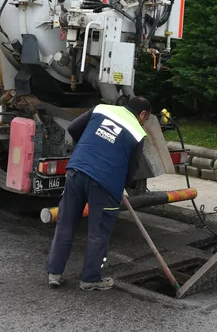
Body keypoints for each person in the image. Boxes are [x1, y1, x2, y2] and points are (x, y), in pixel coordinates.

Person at [45, 96, 150, 292]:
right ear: (142, 114)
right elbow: (132, 167)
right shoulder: (137, 132)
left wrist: (87, 145)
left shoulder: (101, 109)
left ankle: (54, 273)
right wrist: (123, 185)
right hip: (106, 182)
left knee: (65, 224)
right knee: (98, 232)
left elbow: (73, 128)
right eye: (146, 118)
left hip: (77, 170)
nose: (144, 121)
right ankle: (91, 279)